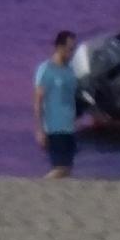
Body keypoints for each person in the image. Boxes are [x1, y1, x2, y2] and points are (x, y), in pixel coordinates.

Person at [33, 30, 81, 177]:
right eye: (70, 49)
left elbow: (72, 98)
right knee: (60, 169)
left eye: (74, 49)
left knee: (68, 170)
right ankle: (41, 185)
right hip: (54, 128)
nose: (72, 53)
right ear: (60, 47)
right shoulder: (46, 69)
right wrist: (40, 130)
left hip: (69, 128)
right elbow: (38, 101)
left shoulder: (70, 71)